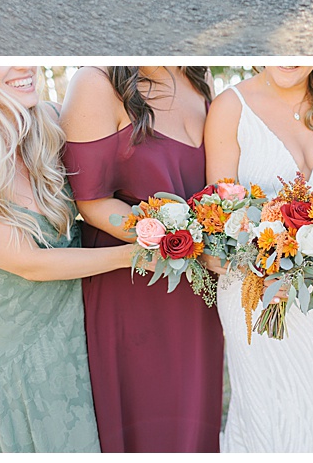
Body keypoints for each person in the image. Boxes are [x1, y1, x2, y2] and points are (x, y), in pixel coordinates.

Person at [62, 66, 224, 450]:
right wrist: (174, 240)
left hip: (197, 291)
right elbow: (91, 201)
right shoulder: (96, 84)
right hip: (134, 279)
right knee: (145, 420)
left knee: (193, 419)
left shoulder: (198, 78)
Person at [0, 66, 137, 452]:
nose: (24, 66)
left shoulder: (51, 119)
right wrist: (131, 254)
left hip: (73, 331)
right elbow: (30, 262)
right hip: (10, 360)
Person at [204, 67, 313, 451]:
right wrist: (262, 269)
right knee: (264, 413)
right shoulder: (231, 107)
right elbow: (216, 224)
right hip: (258, 292)